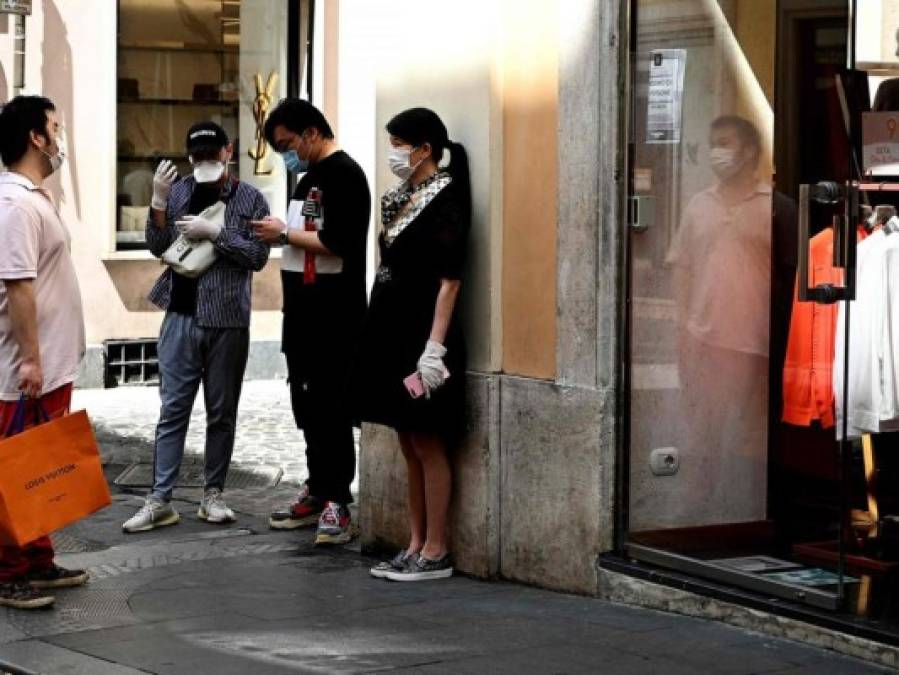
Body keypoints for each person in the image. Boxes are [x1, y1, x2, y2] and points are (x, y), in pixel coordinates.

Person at [122, 122, 271, 533]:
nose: (205, 161)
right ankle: (160, 500)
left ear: (229, 151)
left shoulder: (250, 199)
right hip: (180, 315)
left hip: (227, 319)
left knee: (222, 412)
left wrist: (219, 234)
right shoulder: (181, 191)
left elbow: (257, 256)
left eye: (212, 153)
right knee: (173, 410)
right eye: (198, 155)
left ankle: (213, 495)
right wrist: (157, 201)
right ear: (190, 157)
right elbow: (157, 245)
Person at [357, 108, 470, 581]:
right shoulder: (400, 196)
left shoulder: (446, 196)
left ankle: (437, 548)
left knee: (427, 439)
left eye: (399, 143)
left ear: (424, 149)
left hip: (423, 335)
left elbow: (450, 279)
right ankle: (415, 540)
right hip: (391, 329)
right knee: (406, 440)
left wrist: (434, 348)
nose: (393, 152)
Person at [252, 99, 370, 545]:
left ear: (312, 133)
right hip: (301, 316)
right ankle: (319, 489)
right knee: (308, 409)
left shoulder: (345, 174)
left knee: (331, 410)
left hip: (333, 319)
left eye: (288, 144)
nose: (287, 154)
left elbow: (339, 240)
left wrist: (283, 233)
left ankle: (338, 500)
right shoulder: (309, 178)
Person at [0, 95, 89, 608]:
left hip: (50, 365)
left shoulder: (34, 198)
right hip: (22, 369)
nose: (60, 135)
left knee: (41, 466)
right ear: (36, 137)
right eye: (55, 125)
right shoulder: (14, 203)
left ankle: (37, 561)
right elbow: (18, 285)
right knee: (13, 468)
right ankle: (8, 570)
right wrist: (29, 357)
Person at [668, 115, 771, 526]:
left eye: (725, 143)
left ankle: (745, 513)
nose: (716, 152)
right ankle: (697, 512)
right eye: (712, 143)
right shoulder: (699, 205)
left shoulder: (772, 206)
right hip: (705, 340)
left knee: (751, 437)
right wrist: (683, 325)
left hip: (756, 342)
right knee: (704, 431)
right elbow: (682, 266)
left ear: (748, 151)